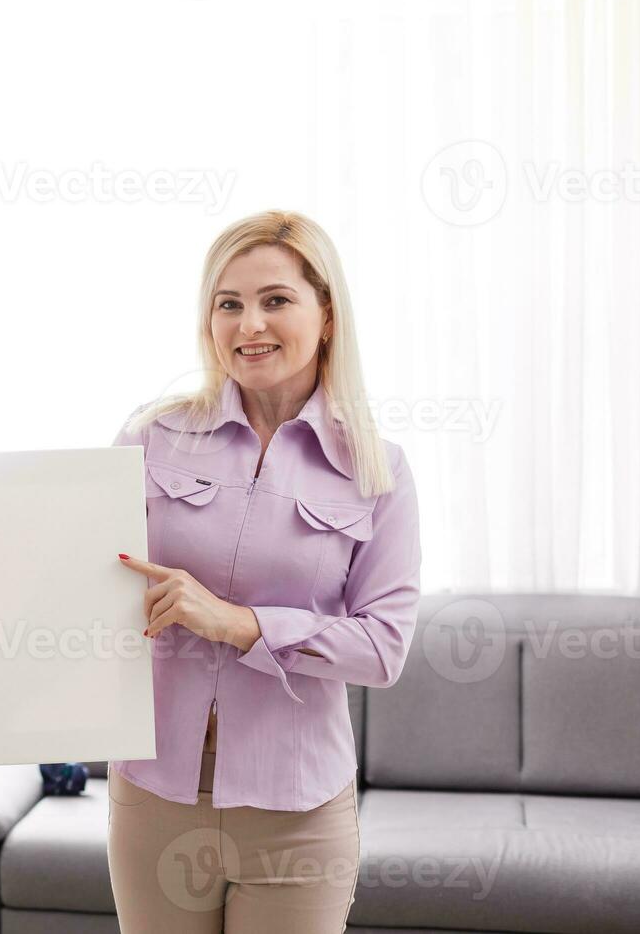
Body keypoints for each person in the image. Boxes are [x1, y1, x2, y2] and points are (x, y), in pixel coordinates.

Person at [105, 209, 422, 933]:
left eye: (276, 300)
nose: (250, 325)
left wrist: (239, 624)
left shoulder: (378, 469)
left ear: (327, 314)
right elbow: (65, 599)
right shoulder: (151, 437)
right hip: (154, 797)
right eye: (229, 304)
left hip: (298, 815)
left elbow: (383, 648)